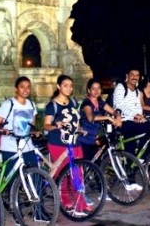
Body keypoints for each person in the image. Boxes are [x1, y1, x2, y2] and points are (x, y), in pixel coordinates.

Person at [42, 74, 89, 216]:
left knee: (77, 174)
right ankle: (66, 202)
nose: (69, 88)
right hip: (58, 143)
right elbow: (46, 125)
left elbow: (76, 121)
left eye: (71, 85)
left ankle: (81, 204)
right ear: (58, 87)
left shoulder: (73, 102)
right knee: (63, 174)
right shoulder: (52, 105)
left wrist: (80, 129)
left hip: (74, 142)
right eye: (65, 85)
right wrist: (56, 125)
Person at [0, 76, 39, 172]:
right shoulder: (8, 104)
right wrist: (2, 130)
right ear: (16, 89)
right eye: (22, 87)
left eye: (28, 87)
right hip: (10, 146)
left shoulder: (32, 105)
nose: (26, 90)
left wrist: (35, 131)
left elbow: (31, 125)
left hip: (27, 146)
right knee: (11, 179)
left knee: (34, 175)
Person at [79, 78, 122, 161]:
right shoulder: (87, 103)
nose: (96, 91)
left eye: (98, 88)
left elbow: (113, 111)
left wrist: (118, 116)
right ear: (89, 90)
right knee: (86, 164)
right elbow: (91, 118)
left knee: (97, 163)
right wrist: (108, 117)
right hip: (85, 138)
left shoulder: (100, 102)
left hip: (95, 138)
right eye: (93, 88)